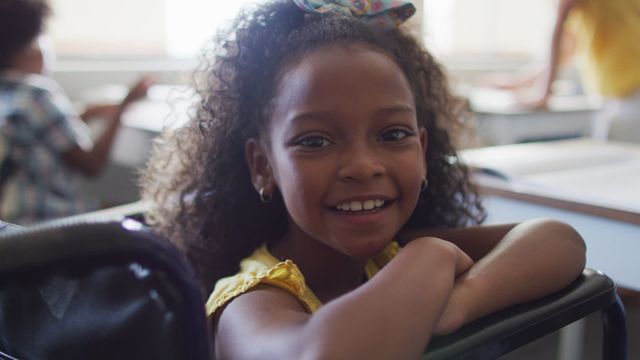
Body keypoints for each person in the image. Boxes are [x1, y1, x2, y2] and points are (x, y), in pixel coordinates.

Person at [140, 1, 586, 358]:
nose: (362, 166)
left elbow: (559, 241)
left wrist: (458, 304)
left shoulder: (389, 258)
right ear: (263, 166)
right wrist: (430, 257)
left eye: (393, 134)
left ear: (423, 150)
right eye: (315, 141)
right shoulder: (249, 302)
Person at [0, 0, 153, 225]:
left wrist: (87, 113)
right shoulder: (39, 94)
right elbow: (91, 165)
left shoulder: (10, 93)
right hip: (49, 220)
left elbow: (43, 137)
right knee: (145, 216)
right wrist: (123, 106)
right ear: (31, 48)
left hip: (14, 222)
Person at [500, 0, 640, 142]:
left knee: (617, 153)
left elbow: (559, 33)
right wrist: (521, 81)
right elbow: (567, 49)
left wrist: (544, 93)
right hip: (622, 89)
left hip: (627, 92)